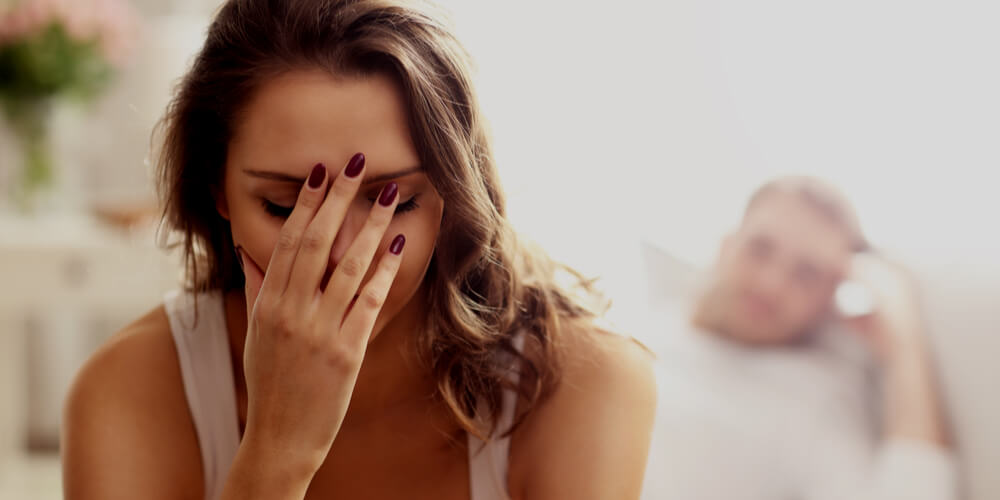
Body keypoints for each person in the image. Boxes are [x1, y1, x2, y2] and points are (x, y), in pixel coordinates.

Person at [61, 1, 656, 499]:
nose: (341, 257)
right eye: (287, 207)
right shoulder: (129, 392)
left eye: (393, 202)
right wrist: (277, 450)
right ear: (217, 191)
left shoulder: (581, 384)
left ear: (454, 193)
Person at [641, 176, 958, 500]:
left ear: (829, 298)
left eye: (807, 273)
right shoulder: (646, 320)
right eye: (760, 248)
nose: (771, 283)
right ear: (727, 244)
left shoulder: (812, 400)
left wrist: (904, 339)